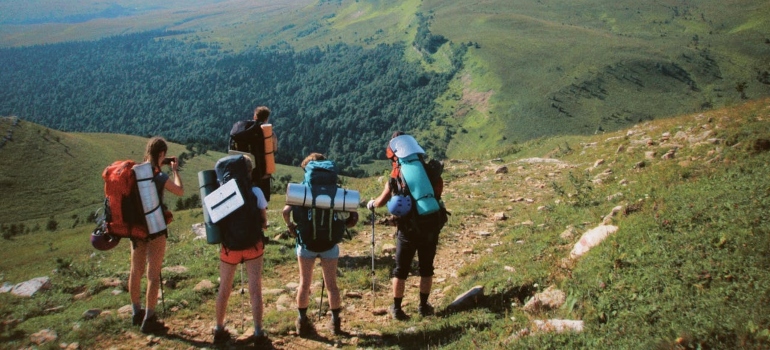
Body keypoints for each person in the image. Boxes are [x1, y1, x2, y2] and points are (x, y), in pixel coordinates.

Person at [366, 132, 446, 321]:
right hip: (430, 225)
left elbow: (380, 201)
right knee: (427, 268)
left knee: (401, 269)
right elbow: (438, 194)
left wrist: (371, 204)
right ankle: (423, 306)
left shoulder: (396, 176)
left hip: (408, 229)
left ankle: (397, 308)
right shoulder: (429, 171)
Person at [282, 153, 355, 337]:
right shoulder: (335, 190)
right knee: (332, 285)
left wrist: (291, 227)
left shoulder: (302, 190)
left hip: (306, 243)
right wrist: (342, 226)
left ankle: (301, 321)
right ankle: (335, 323)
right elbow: (354, 217)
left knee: (304, 284)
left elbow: (285, 211)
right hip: (329, 244)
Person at [129, 137, 184, 333]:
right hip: (155, 228)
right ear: (161, 154)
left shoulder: (135, 172)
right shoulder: (158, 175)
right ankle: (149, 318)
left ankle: (136, 312)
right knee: (153, 274)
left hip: (136, 228)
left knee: (136, 270)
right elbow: (179, 191)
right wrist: (175, 170)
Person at [213, 155, 268, 344]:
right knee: (255, 289)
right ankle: (259, 332)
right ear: (249, 172)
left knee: (224, 288)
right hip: (253, 246)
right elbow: (264, 222)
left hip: (230, 249)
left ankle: (219, 329)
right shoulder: (256, 192)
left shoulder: (223, 193)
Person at [253, 106, 277, 202]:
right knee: (263, 201)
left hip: (250, 171)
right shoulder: (270, 133)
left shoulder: (247, 131)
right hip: (264, 172)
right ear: (266, 118)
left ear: (255, 117)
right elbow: (274, 149)